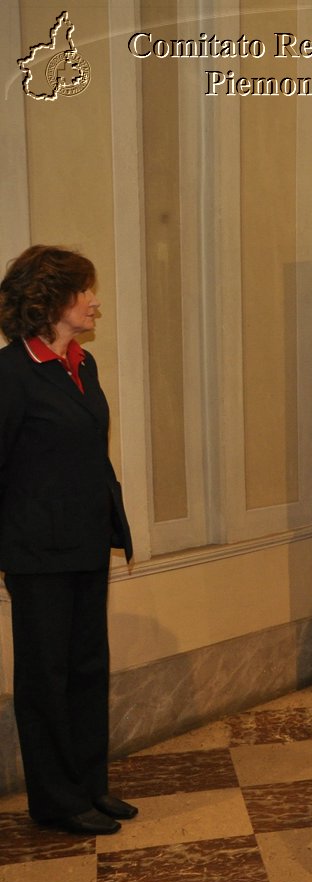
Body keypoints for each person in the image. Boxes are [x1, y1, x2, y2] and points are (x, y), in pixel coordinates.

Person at [0, 246, 136, 836]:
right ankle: (55, 800)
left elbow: (88, 453)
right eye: (85, 291)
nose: (95, 301)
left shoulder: (86, 364)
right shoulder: (10, 374)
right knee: (45, 675)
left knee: (87, 666)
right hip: (36, 552)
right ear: (53, 300)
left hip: (85, 540)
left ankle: (88, 786)